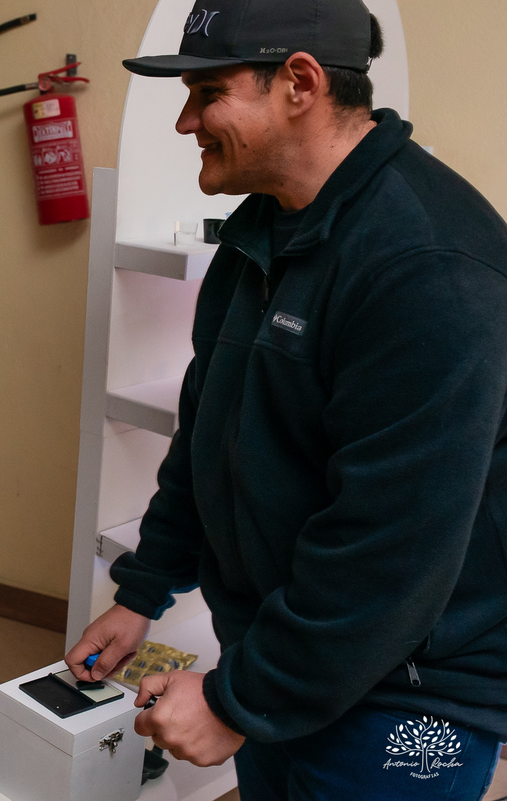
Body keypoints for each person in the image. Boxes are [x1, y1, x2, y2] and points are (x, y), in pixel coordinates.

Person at [65, 0, 507, 797]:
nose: (184, 122)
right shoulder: (257, 235)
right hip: (284, 652)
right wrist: (141, 593)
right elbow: (210, 435)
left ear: (298, 83)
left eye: (207, 94)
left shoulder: (431, 263)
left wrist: (240, 701)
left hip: (411, 697)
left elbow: (391, 547)